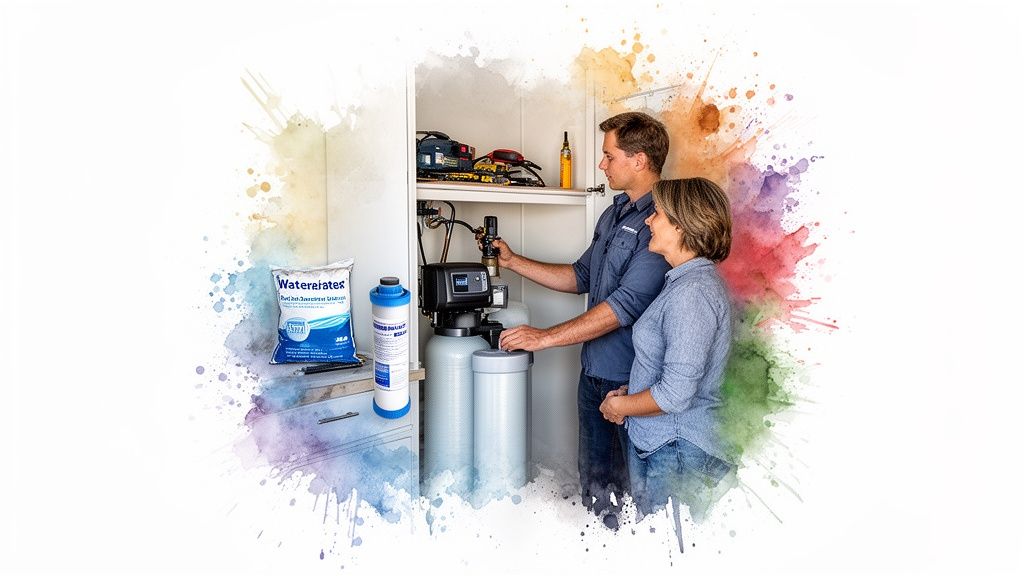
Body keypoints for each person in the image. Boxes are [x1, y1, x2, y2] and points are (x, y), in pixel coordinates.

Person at [490, 112, 671, 526]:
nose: (602, 164)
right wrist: (514, 261)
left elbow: (623, 307)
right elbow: (581, 276)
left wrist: (543, 338)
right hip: (592, 374)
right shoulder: (613, 214)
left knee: (628, 500)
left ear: (639, 160)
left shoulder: (660, 222)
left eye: (609, 156)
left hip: (629, 383)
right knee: (595, 486)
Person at [598, 177, 734, 521]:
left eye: (657, 213)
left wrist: (620, 406)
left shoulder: (693, 293)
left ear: (682, 225)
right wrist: (632, 393)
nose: (648, 220)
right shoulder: (684, 283)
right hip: (664, 445)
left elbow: (675, 395)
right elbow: (673, 371)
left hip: (675, 450)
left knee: (670, 549)